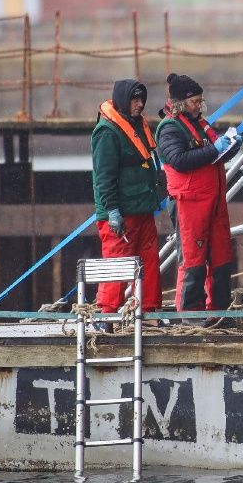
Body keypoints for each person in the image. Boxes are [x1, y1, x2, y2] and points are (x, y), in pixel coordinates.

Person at [155, 72, 243, 312]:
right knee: (193, 259)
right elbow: (179, 160)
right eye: (195, 102)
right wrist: (215, 149)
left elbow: (214, 156)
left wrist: (231, 147)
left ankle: (218, 308)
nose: (200, 106)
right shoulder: (169, 128)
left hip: (212, 201)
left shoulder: (199, 125)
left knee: (221, 255)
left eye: (200, 101)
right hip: (188, 203)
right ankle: (190, 313)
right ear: (181, 104)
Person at [91, 79, 164, 314]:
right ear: (123, 100)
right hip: (121, 214)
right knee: (117, 263)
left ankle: (149, 311)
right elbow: (104, 176)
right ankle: (107, 313)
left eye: (142, 100)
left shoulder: (137, 125)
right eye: (135, 99)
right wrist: (112, 209)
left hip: (142, 209)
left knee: (150, 261)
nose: (140, 104)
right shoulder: (107, 132)